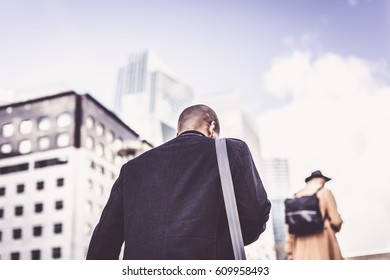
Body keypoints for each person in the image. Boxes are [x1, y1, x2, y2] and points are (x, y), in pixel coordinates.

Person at [86, 104, 271, 260]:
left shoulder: (132, 168)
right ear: (212, 128)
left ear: (177, 133)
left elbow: (104, 240)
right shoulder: (231, 150)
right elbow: (255, 215)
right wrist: (224, 239)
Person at [285, 170, 343, 260]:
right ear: (321, 181)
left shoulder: (294, 197)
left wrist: (289, 250)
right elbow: (336, 221)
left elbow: (290, 229)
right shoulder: (325, 193)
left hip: (300, 246)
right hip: (323, 241)